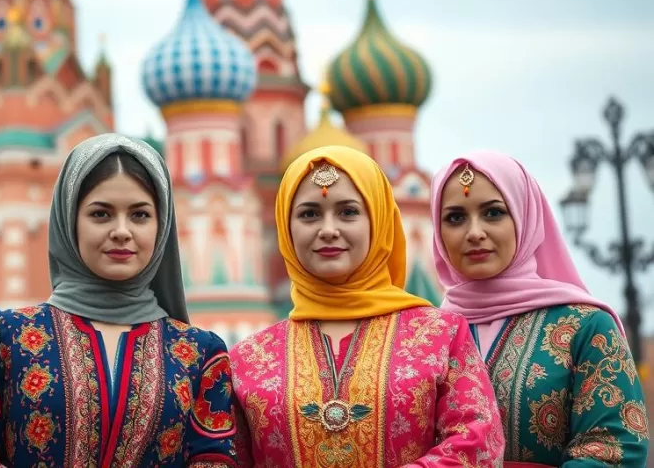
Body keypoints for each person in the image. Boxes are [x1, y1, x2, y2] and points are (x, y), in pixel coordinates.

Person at [0, 134, 239, 467]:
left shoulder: (198, 353)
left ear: (162, 227)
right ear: (68, 221)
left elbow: (216, 457)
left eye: (140, 215)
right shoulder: (5, 337)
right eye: (101, 214)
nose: (121, 230)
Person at [230, 145, 504, 467]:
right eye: (309, 214)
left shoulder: (441, 336)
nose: (328, 229)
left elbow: (477, 443)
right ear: (285, 228)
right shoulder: (247, 358)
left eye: (348, 212)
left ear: (377, 220)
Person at [431, 150, 650, 467]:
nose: (474, 232)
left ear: (525, 217)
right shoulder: (424, 334)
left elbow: (615, 448)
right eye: (455, 217)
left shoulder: (586, 326)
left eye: (493, 213)